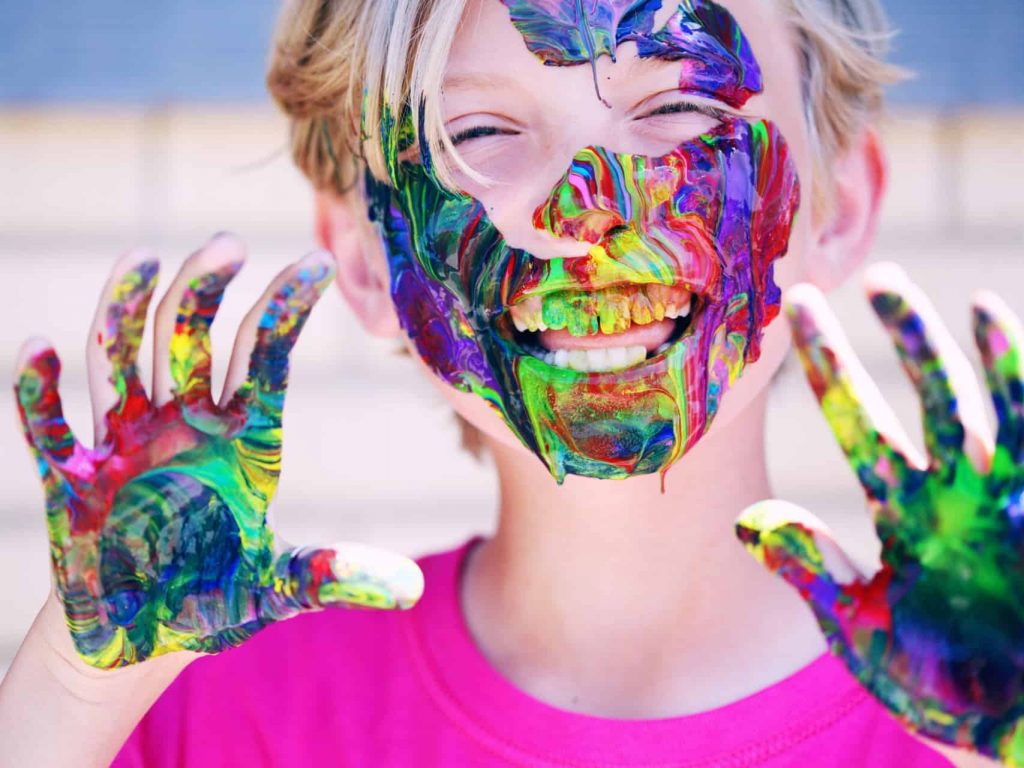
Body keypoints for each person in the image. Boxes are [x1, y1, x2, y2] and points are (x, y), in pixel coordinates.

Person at [1, 0, 1021, 765]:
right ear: (364, 259)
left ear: (839, 207)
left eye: (675, 105)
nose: (588, 209)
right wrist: (73, 695)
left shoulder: (980, 699)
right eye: (479, 134)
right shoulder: (208, 715)